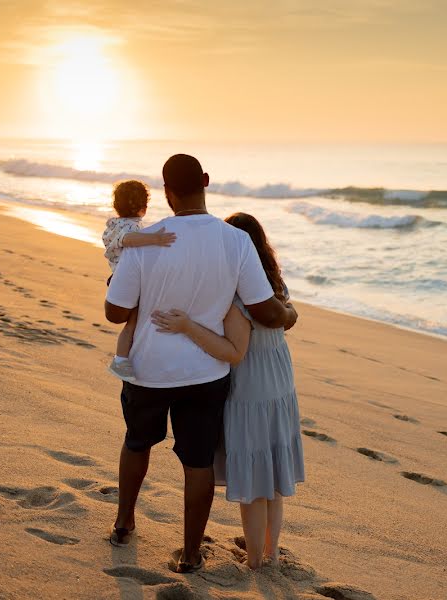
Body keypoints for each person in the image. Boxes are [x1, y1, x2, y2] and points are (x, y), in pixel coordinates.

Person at [104, 154, 298, 574]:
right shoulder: (236, 241)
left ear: (166, 191)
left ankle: (124, 524)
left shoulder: (148, 239)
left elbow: (114, 313)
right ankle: (191, 554)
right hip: (206, 373)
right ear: (206, 181)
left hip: (148, 369)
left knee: (137, 442)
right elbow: (264, 310)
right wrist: (288, 315)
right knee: (198, 463)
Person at [151, 212, 304, 569]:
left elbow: (232, 353)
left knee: (253, 483)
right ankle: (271, 553)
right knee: (273, 476)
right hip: (281, 384)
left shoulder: (237, 295)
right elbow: (284, 320)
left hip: (250, 390)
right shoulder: (274, 285)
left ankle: (254, 562)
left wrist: (187, 326)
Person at [102, 179, 176, 383]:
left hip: (120, 280)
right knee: (133, 322)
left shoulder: (115, 224)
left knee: (136, 322)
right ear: (144, 207)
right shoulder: (129, 227)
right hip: (125, 282)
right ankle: (121, 360)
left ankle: (126, 357)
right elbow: (127, 239)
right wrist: (155, 239)